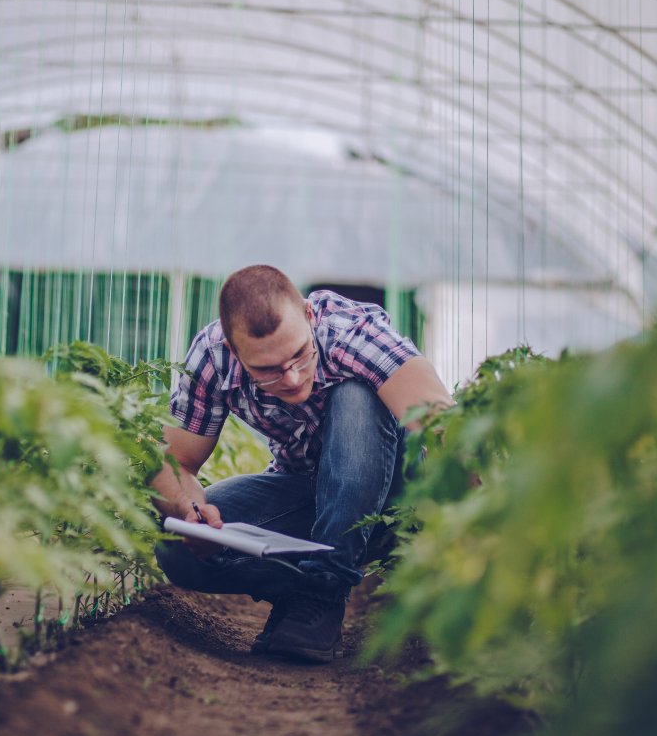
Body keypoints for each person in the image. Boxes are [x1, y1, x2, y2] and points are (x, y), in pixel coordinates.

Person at [151, 265, 454, 662]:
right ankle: (311, 583)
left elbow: (444, 428)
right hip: (311, 492)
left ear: (309, 317)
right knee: (177, 551)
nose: (292, 378)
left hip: (398, 500)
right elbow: (176, 464)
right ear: (233, 346)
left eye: (299, 355)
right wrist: (191, 512)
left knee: (356, 393)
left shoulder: (353, 335)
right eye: (268, 370)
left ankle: (323, 588)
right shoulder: (212, 358)